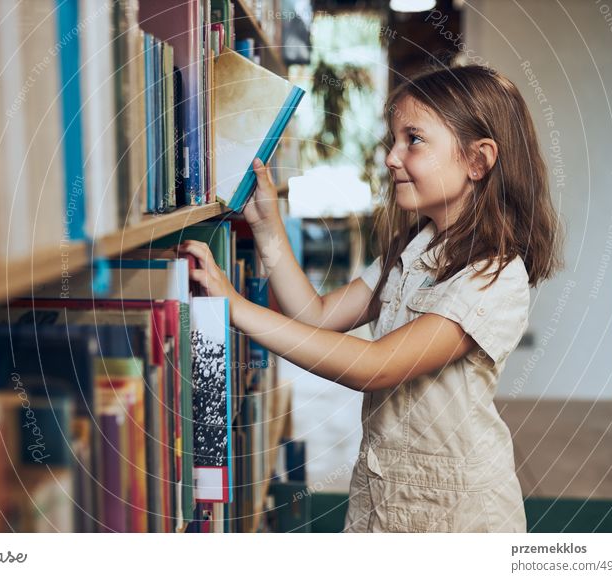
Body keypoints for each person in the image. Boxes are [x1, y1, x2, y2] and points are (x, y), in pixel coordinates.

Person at [178, 64, 563, 532]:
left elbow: (375, 366)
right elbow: (316, 316)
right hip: (382, 496)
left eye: (414, 139)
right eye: (393, 139)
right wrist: (266, 225)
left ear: (477, 161)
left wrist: (234, 307)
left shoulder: (492, 276)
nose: (391, 157)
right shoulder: (410, 251)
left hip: (457, 519)